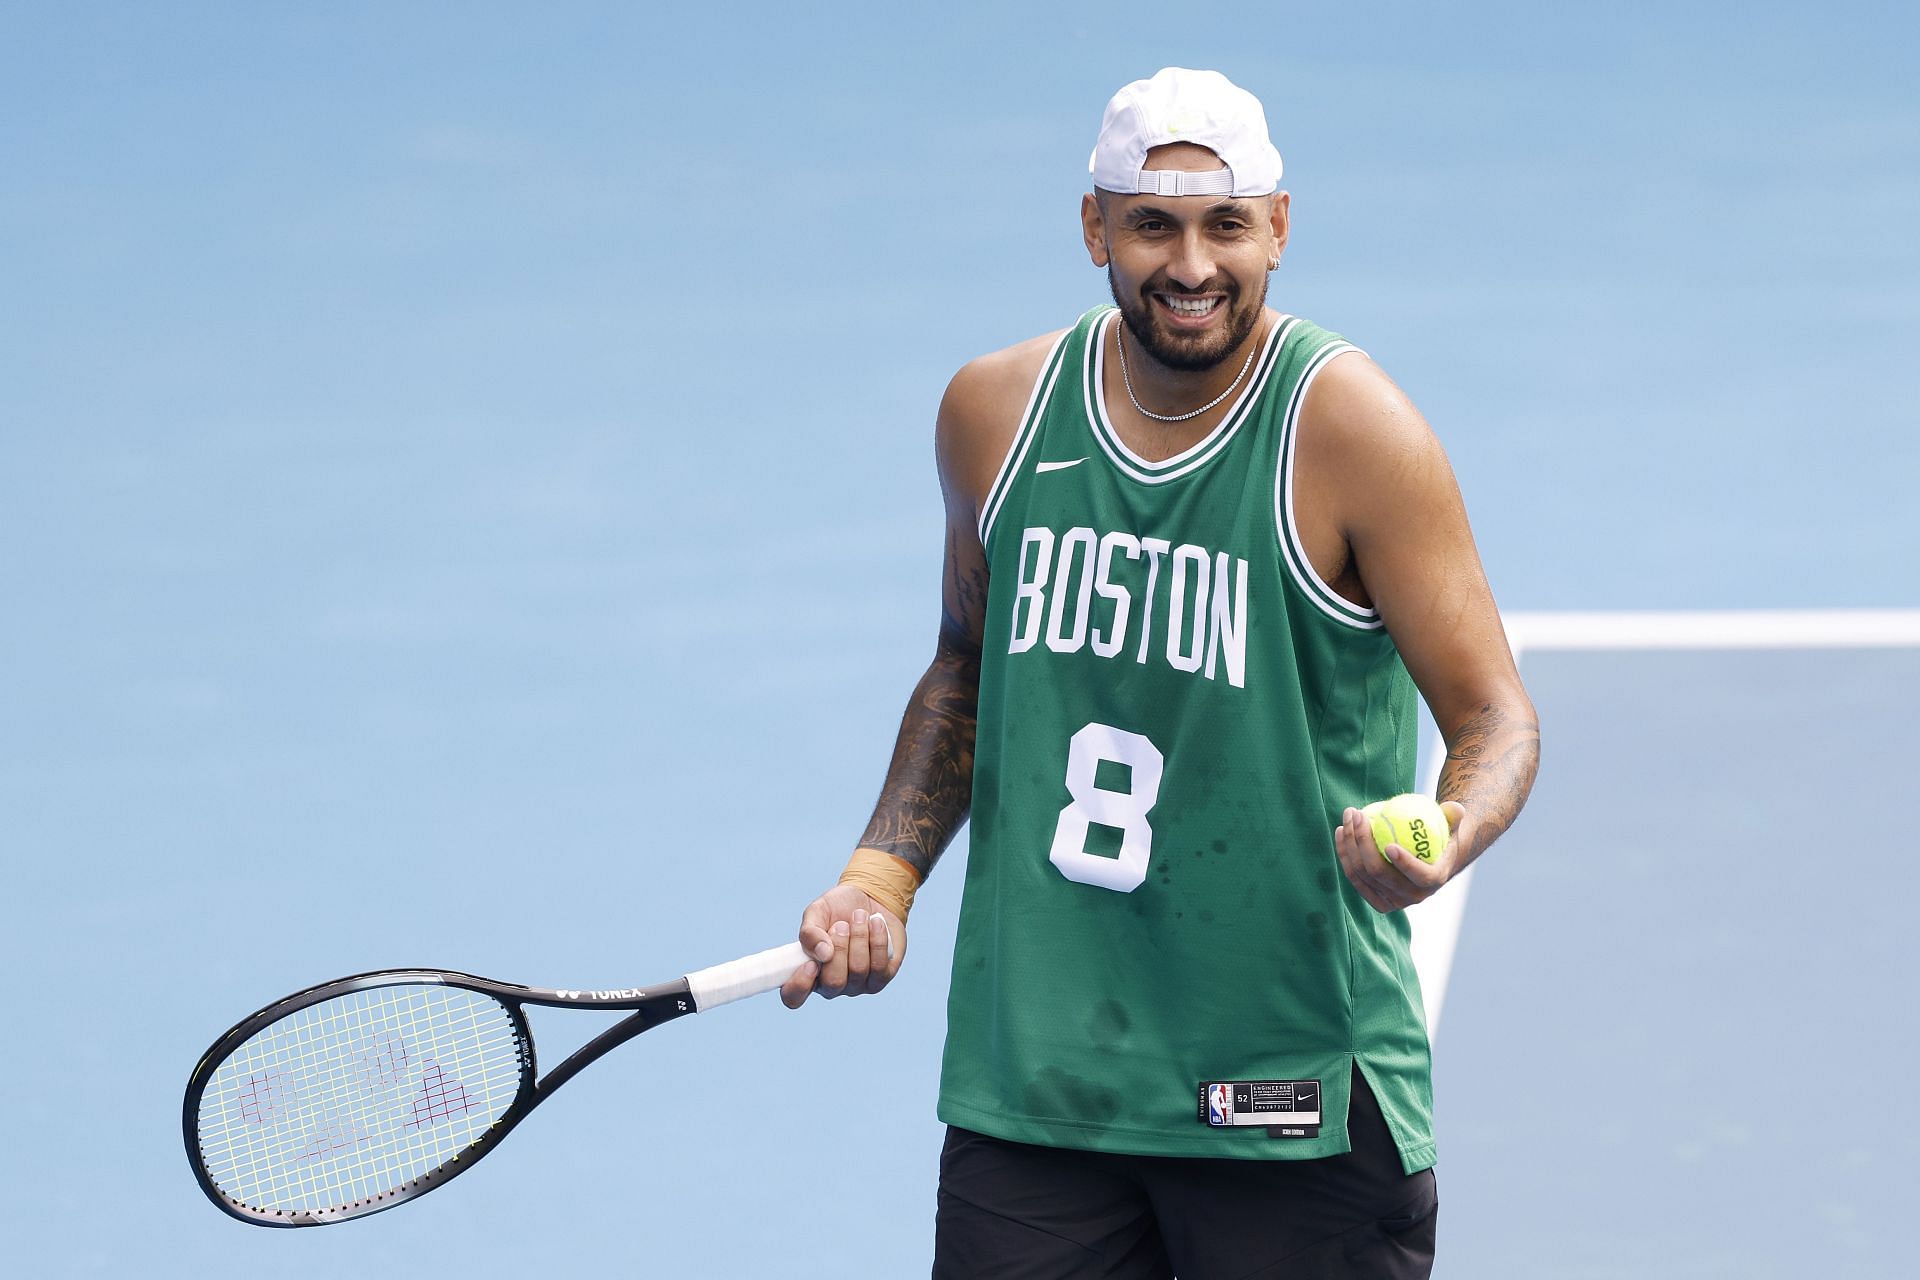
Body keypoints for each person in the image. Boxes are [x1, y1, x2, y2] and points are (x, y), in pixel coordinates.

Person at [780, 67, 1539, 1279]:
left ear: (1278, 228)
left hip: (1292, 1090)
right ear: (1096, 231)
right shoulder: (996, 414)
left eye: (1225, 223)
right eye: (1153, 224)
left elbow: (1496, 716)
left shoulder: (1349, 431)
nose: (1192, 264)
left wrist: (1444, 833)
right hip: (1042, 1085)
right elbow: (966, 669)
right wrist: (880, 876)